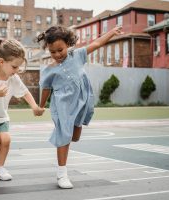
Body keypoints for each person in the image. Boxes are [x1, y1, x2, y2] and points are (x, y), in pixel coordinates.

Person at [37, 25, 123, 189]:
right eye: (52, 52)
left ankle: (71, 132)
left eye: (60, 50)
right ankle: (62, 174)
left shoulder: (77, 55)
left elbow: (97, 44)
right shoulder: (49, 70)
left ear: (68, 44)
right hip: (62, 105)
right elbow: (46, 89)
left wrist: (111, 32)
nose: (57, 55)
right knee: (64, 136)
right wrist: (41, 106)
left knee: (74, 137)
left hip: (81, 102)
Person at [0, 38, 45, 182]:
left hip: (0, 116)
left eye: (18, 67)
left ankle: (0, 167)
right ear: (1, 62)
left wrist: (34, 107)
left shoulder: (13, 77)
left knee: (6, 139)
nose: (17, 70)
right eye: (14, 67)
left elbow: (24, 92)